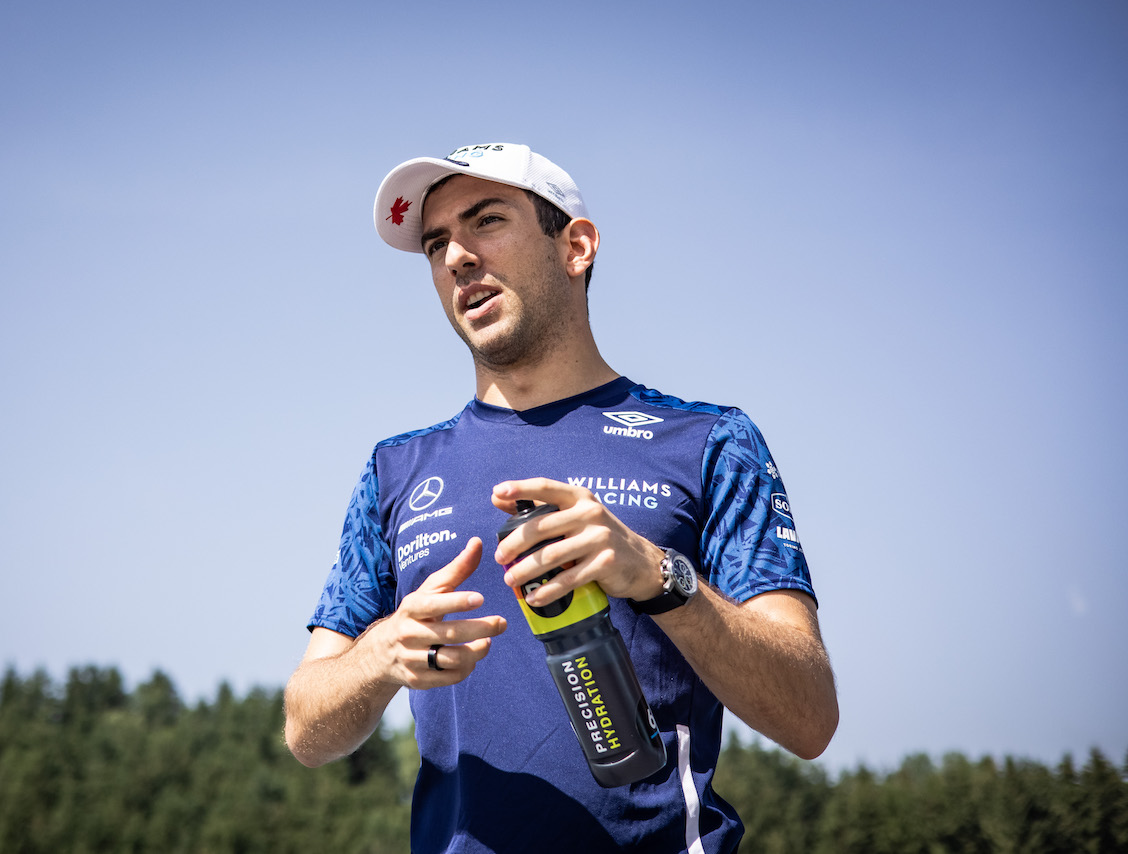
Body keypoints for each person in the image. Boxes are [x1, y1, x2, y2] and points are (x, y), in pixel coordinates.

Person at [284, 142, 838, 853]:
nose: (456, 257)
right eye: (435, 243)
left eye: (487, 221)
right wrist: (382, 653)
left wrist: (658, 576)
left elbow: (810, 716)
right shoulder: (395, 470)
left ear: (575, 246)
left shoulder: (709, 441)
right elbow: (306, 728)